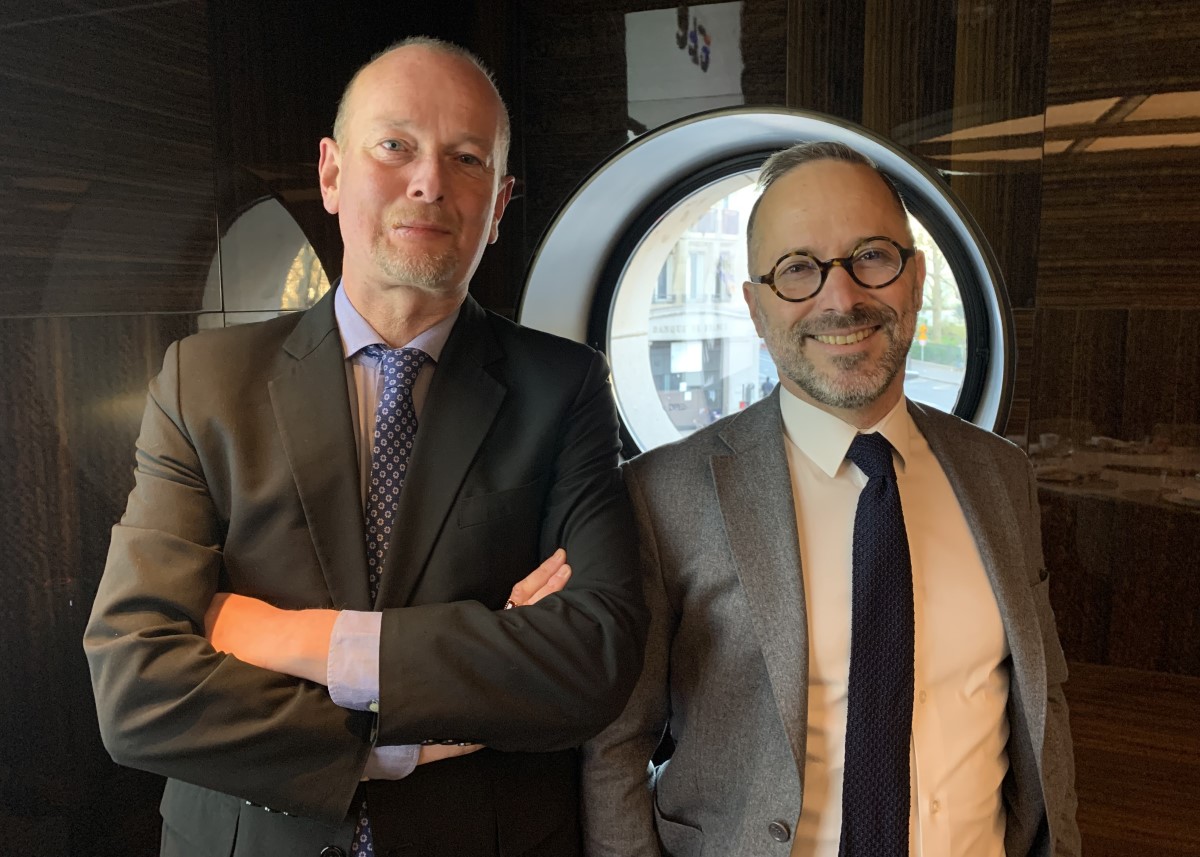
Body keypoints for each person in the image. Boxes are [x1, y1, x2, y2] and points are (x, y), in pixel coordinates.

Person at [84, 37, 646, 857]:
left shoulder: (563, 388)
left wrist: (288, 640)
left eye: (466, 157)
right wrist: (391, 738)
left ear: (499, 203)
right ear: (332, 171)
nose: (429, 181)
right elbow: (135, 687)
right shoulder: (204, 381)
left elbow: (591, 657)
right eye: (396, 146)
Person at [580, 141, 1079, 857]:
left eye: (872, 256)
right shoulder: (664, 494)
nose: (840, 298)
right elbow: (616, 746)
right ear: (755, 307)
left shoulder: (1000, 476)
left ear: (915, 278)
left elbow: (1043, 698)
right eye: (798, 270)